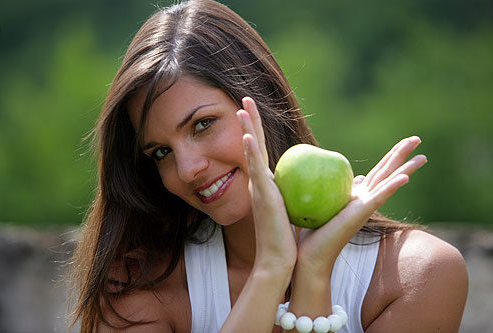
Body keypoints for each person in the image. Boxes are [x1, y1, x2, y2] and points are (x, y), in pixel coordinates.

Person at [68, 0, 468, 332]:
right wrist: (273, 269)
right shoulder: (142, 289)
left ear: (261, 100)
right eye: (160, 152)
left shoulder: (417, 277)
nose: (187, 169)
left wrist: (312, 274)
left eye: (202, 125)